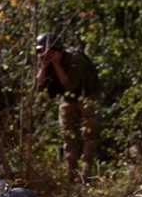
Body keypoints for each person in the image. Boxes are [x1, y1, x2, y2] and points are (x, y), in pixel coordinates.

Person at [35, 32, 101, 182]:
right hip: (68, 99)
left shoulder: (74, 59)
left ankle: (86, 173)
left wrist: (56, 64)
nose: (44, 55)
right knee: (67, 136)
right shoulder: (45, 62)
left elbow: (70, 86)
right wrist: (43, 66)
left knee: (89, 135)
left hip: (86, 97)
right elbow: (38, 87)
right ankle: (71, 174)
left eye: (48, 51)